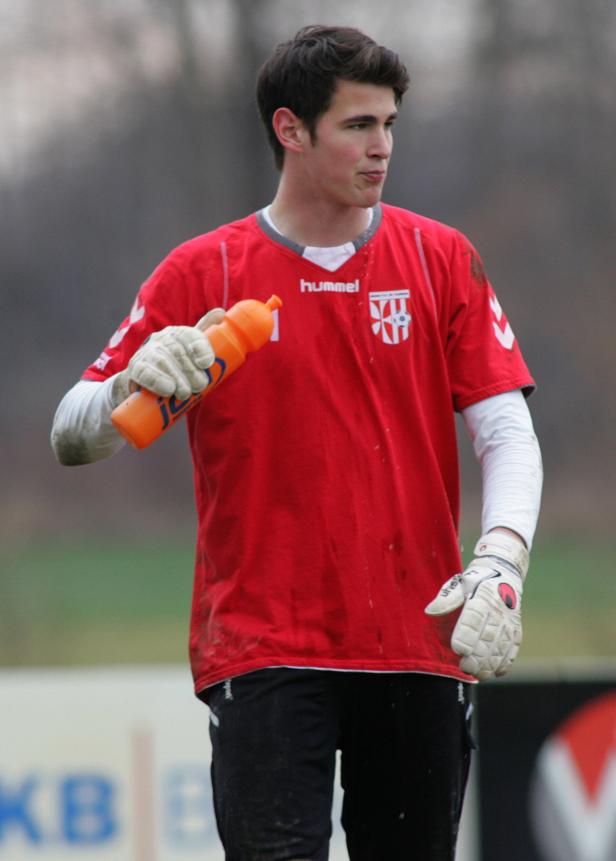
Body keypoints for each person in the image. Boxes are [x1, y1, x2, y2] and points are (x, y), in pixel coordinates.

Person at [51, 24, 543, 861]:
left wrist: (500, 563)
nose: (382, 147)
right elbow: (73, 433)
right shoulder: (203, 272)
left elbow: (506, 431)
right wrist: (135, 383)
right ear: (290, 129)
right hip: (265, 651)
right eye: (358, 125)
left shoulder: (440, 258)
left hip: (419, 645)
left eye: (389, 124)